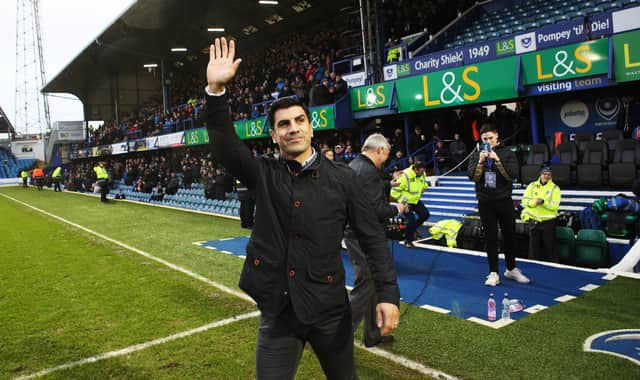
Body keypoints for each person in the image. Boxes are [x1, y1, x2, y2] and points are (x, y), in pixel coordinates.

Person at [204, 37, 399, 379]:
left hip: (330, 311)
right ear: (274, 136)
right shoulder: (263, 173)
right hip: (279, 313)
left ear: (311, 126)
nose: (292, 127)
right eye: (283, 124)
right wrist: (215, 91)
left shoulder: (343, 179)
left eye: (298, 121)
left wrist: (388, 295)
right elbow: (225, 147)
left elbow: (373, 240)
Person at [344, 134, 407, 348]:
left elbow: (368, 191)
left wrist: (388, 182)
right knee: (366, 285)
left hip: (354, 234)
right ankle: (338, 339)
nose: (386, 160)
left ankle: (373, 332)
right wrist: (395, 209)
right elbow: (373, 209)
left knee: (369, 286)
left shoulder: (354, 166)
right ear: (379, 150)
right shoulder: (368, 171)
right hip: (363, 236)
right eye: (386, 154)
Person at [467, 124, 530, 286]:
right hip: (485, 201)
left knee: (509, 235)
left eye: (490, 138)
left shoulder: (507, 153)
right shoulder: (476, 155)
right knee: (490, 238)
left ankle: (511, 268)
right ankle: (493, 272)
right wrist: (481, 162)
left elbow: (512, 176)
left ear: (497, 137)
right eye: (484, 139)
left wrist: (497, 160)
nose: (488, 141)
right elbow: (473, 177)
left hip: (504, 200)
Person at [520, 166, 562, 263]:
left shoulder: (555, 188)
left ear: (551, 176)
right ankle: (533, 267)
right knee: (533, 248)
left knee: (549, 247)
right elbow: (524, 201)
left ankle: (553, 267)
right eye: (544, 174)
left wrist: (543, 202)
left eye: (549, 174)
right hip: (534, 221)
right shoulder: (532, 185)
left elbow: (555, 205)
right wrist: (534, 202)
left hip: (548, 222)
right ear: (541, 174)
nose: (546, 176)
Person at [390, 161, 430, 248]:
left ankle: (411, 229)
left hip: (415, 200)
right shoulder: (404, 176)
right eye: (420, 172)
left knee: (425, 215)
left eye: (423, 171)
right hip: (405, 201)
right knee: (411, 220)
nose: (422, 173)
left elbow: (423, 182)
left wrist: (425, 187)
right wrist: (404, 203)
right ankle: (408, 240)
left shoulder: (423, 173)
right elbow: (394, 192)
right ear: (415, 169)